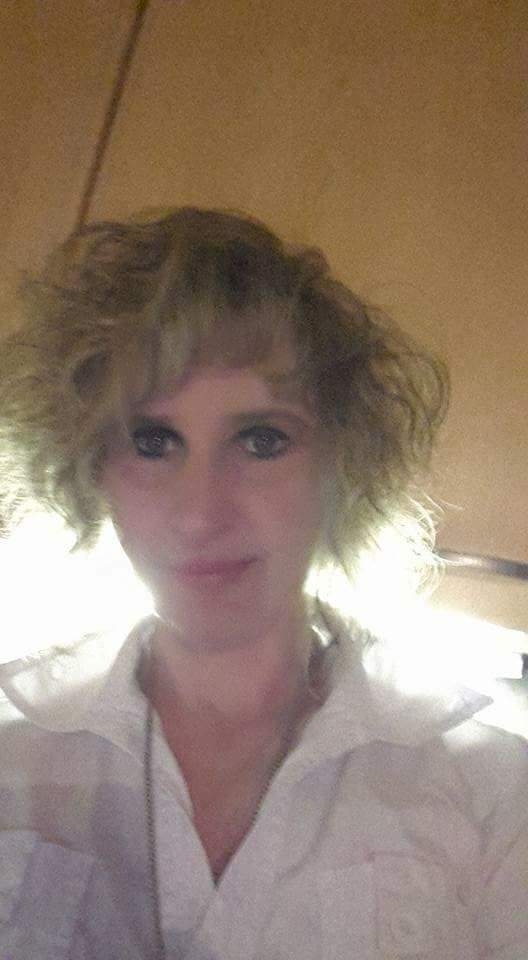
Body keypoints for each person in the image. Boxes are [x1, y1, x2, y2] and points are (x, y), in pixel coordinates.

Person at [0, 206, 526, 960]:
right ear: (91, 468)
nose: (201, 515)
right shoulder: (14, 755)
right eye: (152, 441)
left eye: (262, 439)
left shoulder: (491, 787)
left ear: (341, 465)